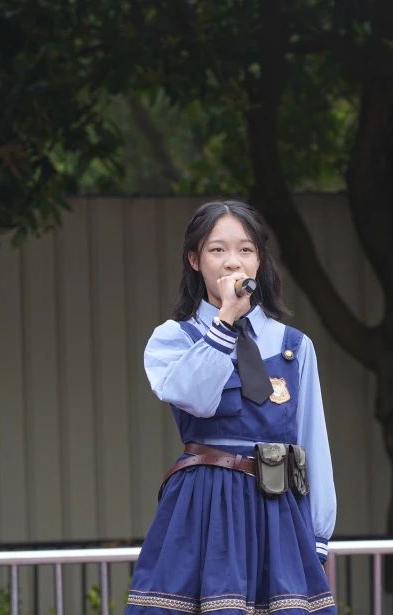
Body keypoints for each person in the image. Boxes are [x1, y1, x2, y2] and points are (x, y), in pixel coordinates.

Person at [125, 200, 337, 615]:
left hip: (277, 508)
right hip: (204, 509)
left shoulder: (294, 346)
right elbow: (197, 398)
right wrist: (224, 323)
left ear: (260, 260)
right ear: (194, 260)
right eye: (217, 249)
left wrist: (316, 534)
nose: (232, 261)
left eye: (245, 249)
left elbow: (313, 441)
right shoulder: (175, 337)